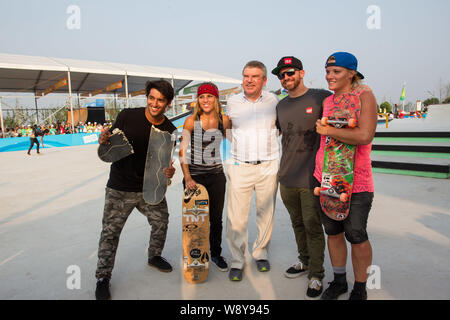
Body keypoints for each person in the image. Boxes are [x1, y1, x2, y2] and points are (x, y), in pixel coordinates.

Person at [95, 80, 177, 300]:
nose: (155, 103)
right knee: (110, 232)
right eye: (152, 98)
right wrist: (103, 140)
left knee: (161, 221)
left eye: (160, 100)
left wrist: (169, 172)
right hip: (119, 188)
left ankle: (154, 256)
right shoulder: (127, 116)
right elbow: (109, 143)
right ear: (147, 97)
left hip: (149, 188)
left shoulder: (169, 130)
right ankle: (103, 277)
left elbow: (166, 163)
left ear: (168, 103)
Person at [314, 52, 377, 300]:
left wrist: (327, 129)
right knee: (333, 231)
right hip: (326, 177)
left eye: (336, 71)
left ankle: (360, 287)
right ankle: (339, 280)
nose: (330, 76)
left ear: (352, 73)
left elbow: (364, 136)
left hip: (356, 181)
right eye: (328, 71)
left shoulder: (365, 96)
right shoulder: (328, 101)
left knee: (356, 234)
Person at [272, 56, 331, 299]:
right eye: (282, 75)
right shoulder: (281, 106)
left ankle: (316, 275)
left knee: (312, 226)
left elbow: (346, 102)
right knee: (297, 224)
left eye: (290, 73)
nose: (286, 78)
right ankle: (305, 261)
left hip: (311, 178)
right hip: (286, 177)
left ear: (302, 73)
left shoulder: (321, 96)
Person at [226, 60, 279, 281]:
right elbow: (227, 128)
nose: (249, 80)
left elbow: (279, 128)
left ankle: (261, 253)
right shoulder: (232, 102)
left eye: (255, 76)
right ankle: (238, 261)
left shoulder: (273, 101)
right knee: (236, 217)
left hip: (268, 165)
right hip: (240, 166)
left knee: (265, 213)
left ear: (264, 80)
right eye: (246, 76)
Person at [179, 82, 231, 272]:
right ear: (198, 100)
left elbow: (232, 141)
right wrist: (188, 178)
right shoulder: (191, 122)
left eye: (209, 96)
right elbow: (182, 151)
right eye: (202, 96)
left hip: (216, 176)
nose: (205, 100)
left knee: (216, 219)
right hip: (195, 177)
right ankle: (195, 255)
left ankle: (216, 253)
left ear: (216, 99)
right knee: (195, 220)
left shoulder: (223, 121)